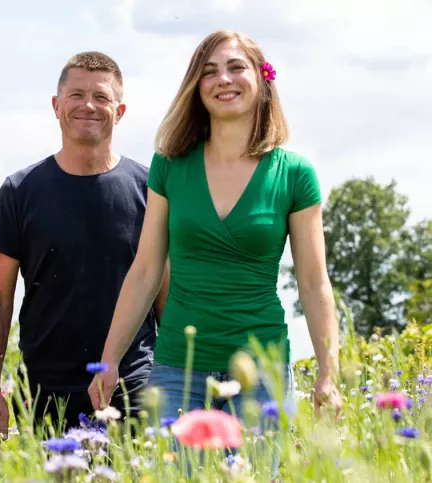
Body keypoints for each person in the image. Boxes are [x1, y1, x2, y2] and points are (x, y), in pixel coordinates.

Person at [88, 30, 342, 472]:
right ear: (196, 88)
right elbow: (146, 271)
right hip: (176, 372)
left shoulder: (295, 174)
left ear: (262, 79)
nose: (223, 79)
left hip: (261, 372)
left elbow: (315, 282)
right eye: (209, 72)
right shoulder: (169, 166)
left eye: (236, 67)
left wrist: (328, 373)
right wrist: (108, 359)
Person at [0, 51, 168, 438]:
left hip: (132, 384)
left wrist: (177, 381)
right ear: (56, 105)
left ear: (121, 111)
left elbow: (166, 293)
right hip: (43, 390)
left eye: (101, 97)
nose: (88, 106)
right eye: (76, 94)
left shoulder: (151, 190)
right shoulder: (19, 191)